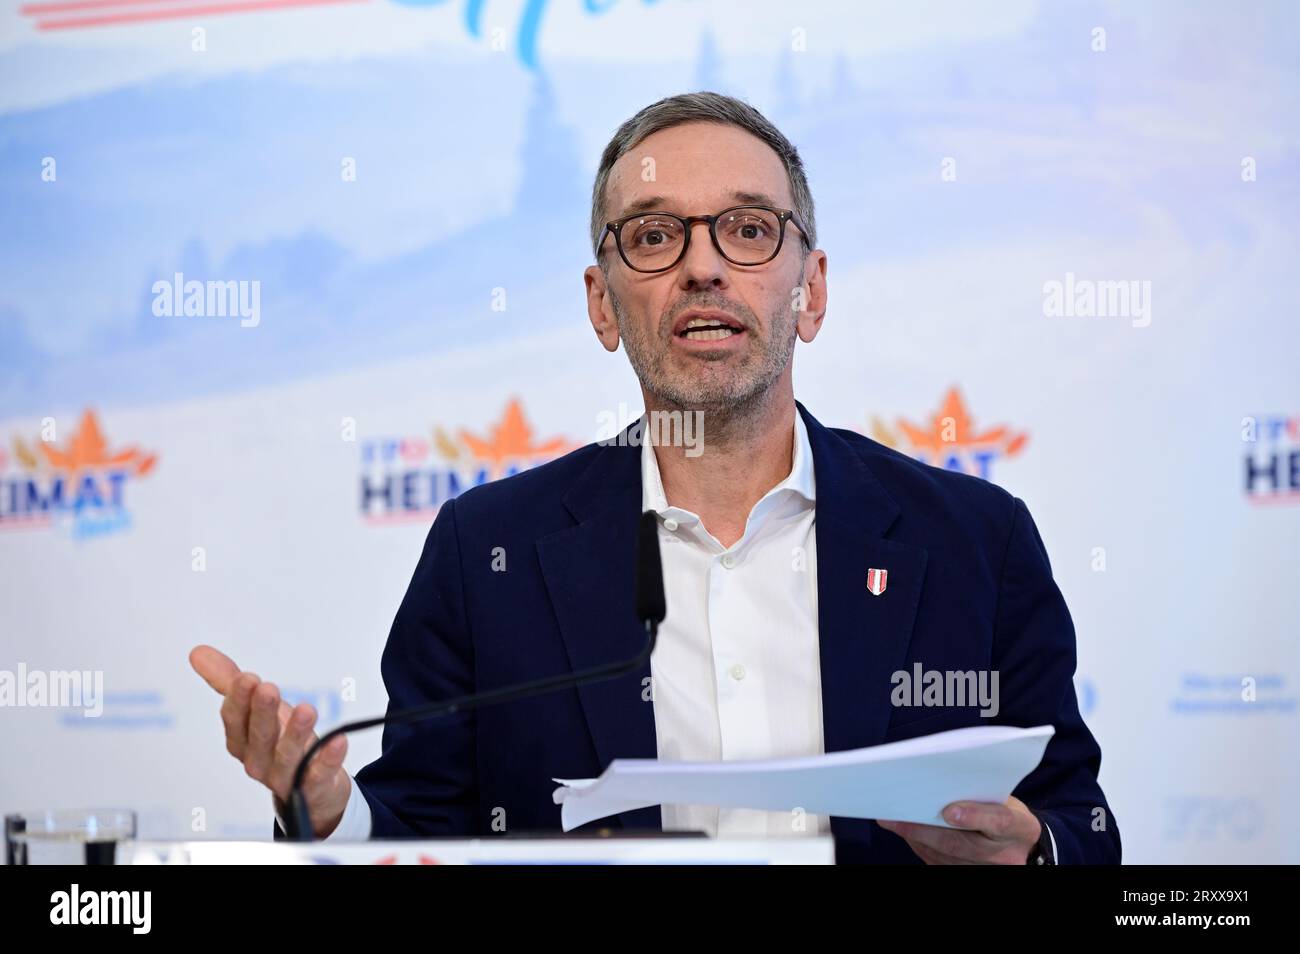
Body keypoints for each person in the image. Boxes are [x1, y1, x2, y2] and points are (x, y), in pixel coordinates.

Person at [190, 91, 1120, 864]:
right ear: (603, 304)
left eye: (749, 230)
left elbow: (1084, 827)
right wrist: (324, 809)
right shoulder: (489, 554)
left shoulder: (973, 541)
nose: (704, 266)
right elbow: (418, 840)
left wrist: (1030, 851)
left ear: (813, 290)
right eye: (653, 236)